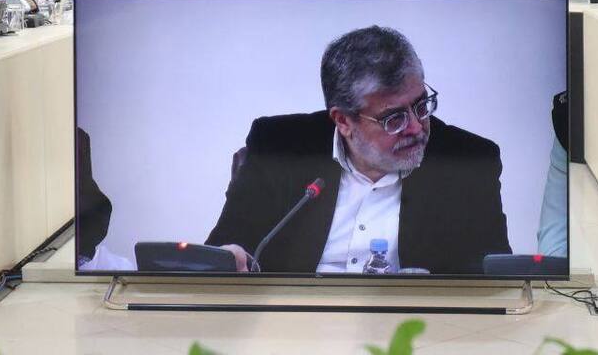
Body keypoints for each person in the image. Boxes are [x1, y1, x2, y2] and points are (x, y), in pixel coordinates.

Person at [206, 25, 510, 275]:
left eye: (421, 106)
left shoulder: (468, 160)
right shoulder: (280, 145)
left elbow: (492, 276)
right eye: (394, 118)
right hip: (296, 316)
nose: (417, 128)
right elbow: (227, 249)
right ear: (343, 121)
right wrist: (231, 257)